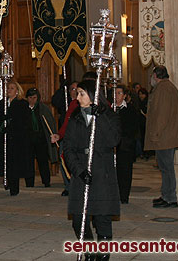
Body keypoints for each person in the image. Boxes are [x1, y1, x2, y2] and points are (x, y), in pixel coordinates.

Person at [62, 79, 120, 261]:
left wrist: (99, 117)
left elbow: (113, 140)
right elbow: (68, 148)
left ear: (93, 95)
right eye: (77, 93)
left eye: (81, 94)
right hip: (82, 172)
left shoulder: (108, 115)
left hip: (102, 172)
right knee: (79, 219)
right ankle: (89, 252)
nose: (77, 97)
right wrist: (79, 170)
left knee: (102, 218)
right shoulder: (75, 117)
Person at [145, 66, 178, 208]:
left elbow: (161, 115)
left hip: (165, 137)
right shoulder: (167, 87)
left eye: (152, 75)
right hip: (167, 136)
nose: (151, 79)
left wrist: (155, 134)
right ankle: (166, 195)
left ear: (156, 75)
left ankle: (170, 198)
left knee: (167, 168)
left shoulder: (163, 89)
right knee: (164, 167)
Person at [0, 80, 31, 195]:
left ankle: (14, 186)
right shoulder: (2, 103)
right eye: (8, 88)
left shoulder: (22, 104)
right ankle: (7, 181)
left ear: (17, 91)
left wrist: (10, 123)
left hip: (16, 138)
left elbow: (23, 121)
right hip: (4, 137)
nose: (9, 90)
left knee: (14, 163)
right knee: (5, 161)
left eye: (12, 88)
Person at [25, 87, 56, 187]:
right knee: (28, 161)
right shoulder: (24, 108)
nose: (32, 100)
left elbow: (50, 123)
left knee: (43, 160)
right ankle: (29, 182)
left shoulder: (43, 108)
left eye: (34, 98)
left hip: (40, 139)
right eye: (30, 98)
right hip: (28, 139)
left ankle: (46, 181)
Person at [114, 85, 138, 204]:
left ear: (124, 96)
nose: (116, 95)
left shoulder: (130, 110)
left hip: (124, 146)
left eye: (119, 93)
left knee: (125, 172)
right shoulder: (109, 109)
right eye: (115, 93)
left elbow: (133, 128)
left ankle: (124, 196)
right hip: (110, 146)